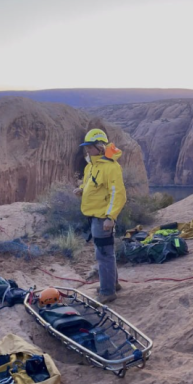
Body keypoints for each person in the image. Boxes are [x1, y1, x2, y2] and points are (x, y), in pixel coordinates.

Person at [75, 128, 127, 303]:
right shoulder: (91, 165)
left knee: (104, 254)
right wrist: (81, 189)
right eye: (86, 147)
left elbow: (118, 194)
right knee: (106, 252)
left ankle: (107, 291)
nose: (87, 150)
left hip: (103, 218)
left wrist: (110, 217)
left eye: (90, 147)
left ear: (100, 146)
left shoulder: (111, 167)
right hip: (94, 215)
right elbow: (90, 184)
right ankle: (113, 283)